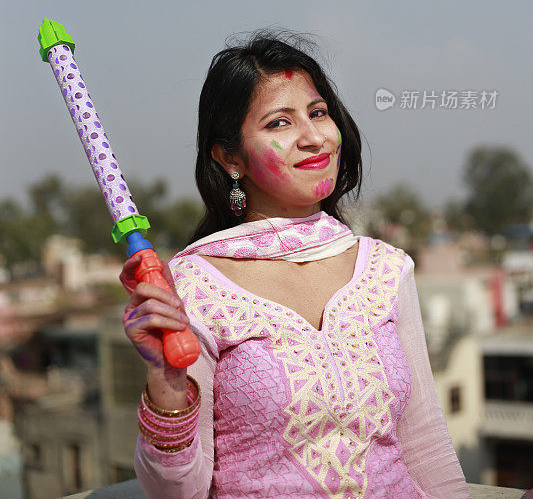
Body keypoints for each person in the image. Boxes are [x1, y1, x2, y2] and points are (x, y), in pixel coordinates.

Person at [120, 31, 470, 499]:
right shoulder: (195, 285)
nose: (313, 137)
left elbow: (425, 444)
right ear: (229, 158)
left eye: (318, 113)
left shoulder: (386, 270)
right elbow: (175, 491)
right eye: (279, 123)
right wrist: (167, 381)